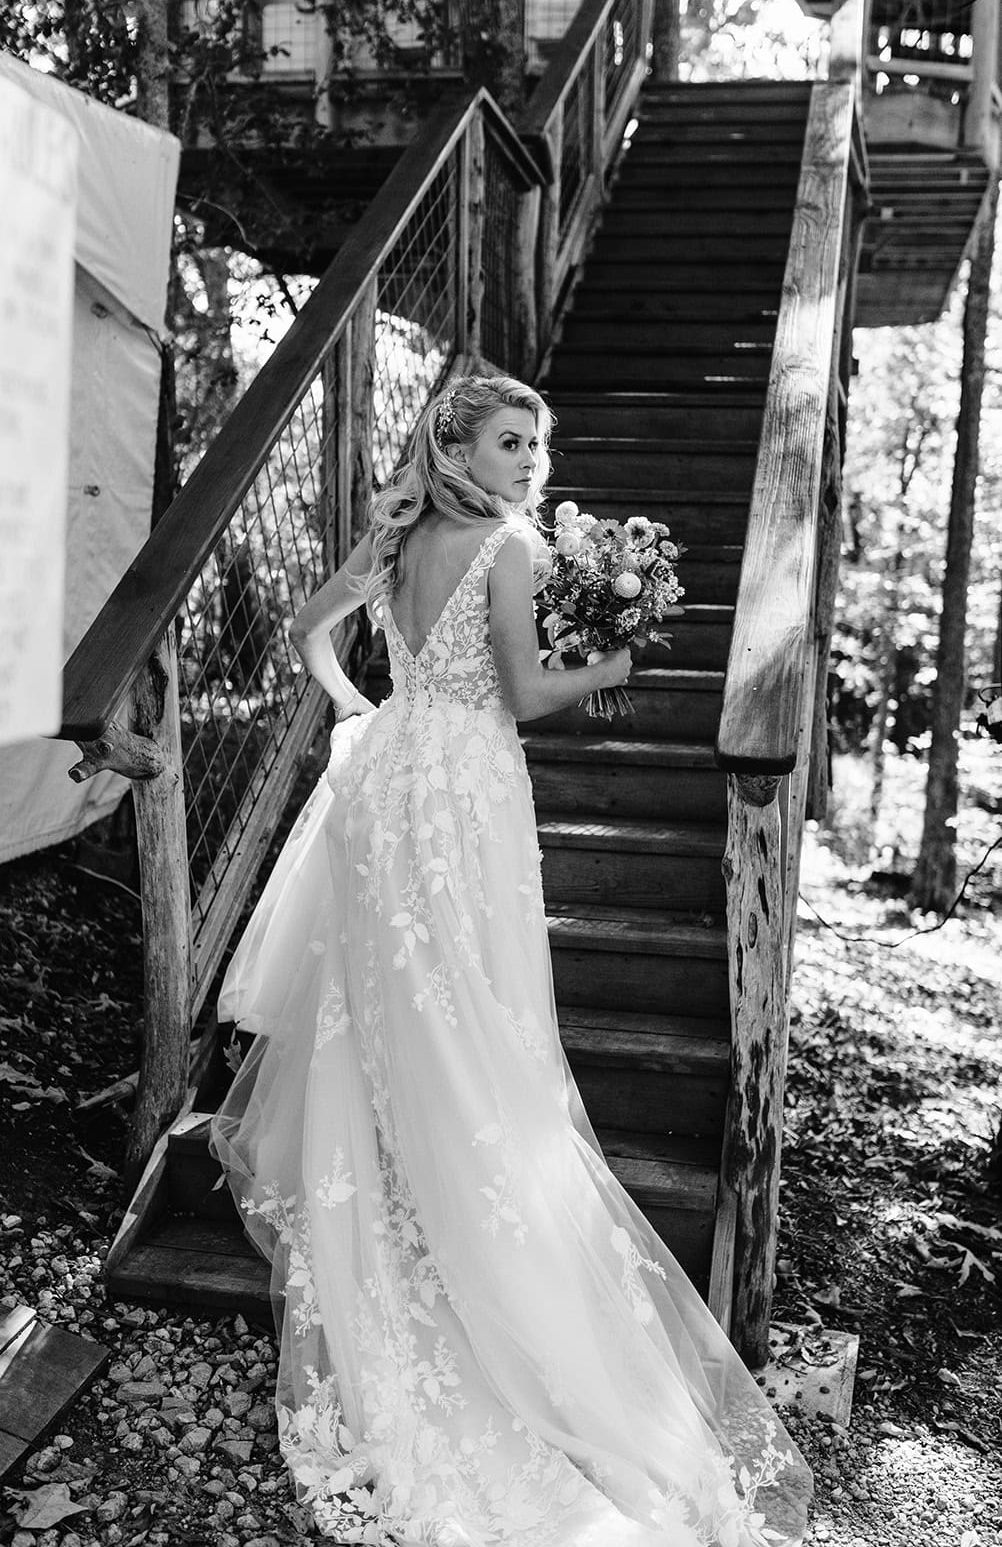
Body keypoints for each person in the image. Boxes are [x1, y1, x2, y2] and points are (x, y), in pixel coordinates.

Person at [210, 373, 813, 1546]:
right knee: (471, 1011)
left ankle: (394, 1197)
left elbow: (304, 631)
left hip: (387, 778)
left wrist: (361, 711)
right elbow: (528, 692)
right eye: (509, 440)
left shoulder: (399, 538)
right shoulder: (510, 546)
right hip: (467, 791)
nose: (531, 460)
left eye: (538, 442)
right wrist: (612, 672)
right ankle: (468, 1229)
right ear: (457, 446)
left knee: (394, 1005)